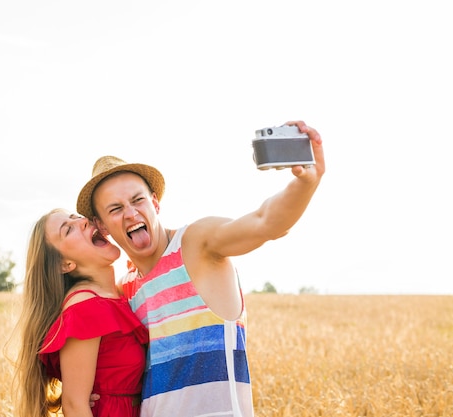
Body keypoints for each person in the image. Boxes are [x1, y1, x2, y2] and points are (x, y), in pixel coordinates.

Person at [76, 120, 325, 417]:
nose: (131, 214)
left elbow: (265, 222)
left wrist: (306, 182)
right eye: (115, 209)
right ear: (102, 226)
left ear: (155, 203)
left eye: (138, 200)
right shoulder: (126, 287)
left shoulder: (196, 244)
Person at [10, 208, 149, 417]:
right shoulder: (86, 308)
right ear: (64, 264)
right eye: (68, 229)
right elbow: (75, 405)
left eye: (76, 217)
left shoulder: (119, 293)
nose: (83, 221)